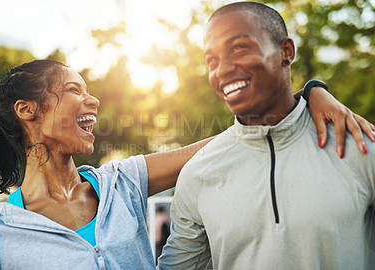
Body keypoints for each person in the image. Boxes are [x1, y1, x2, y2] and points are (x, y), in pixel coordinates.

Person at [0, 57, 370, 270]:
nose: (93, 101)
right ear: (27, 110)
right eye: (74, 91)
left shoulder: (120, 183)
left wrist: (307, 94)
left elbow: (223, 143)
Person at [157, 2, 375, 270]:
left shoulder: (360, 146)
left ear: (286, 51)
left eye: (238, 47)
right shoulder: (197, 175)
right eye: (212, 60)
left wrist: (313, 89)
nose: (222, 69)